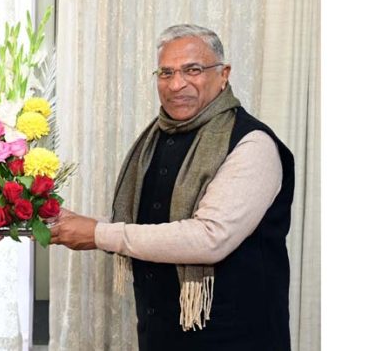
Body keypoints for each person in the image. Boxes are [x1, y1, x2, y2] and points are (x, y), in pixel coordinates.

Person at [50, 24, 294, 350]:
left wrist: (97, 234)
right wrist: (77, 225)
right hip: (160, 336)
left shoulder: (252, 144)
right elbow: (151, 227)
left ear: (224, 75)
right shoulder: (156, 138)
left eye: (192, 70)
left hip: (235, 339)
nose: (176, 84)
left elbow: (209, 237)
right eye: (166, 73)